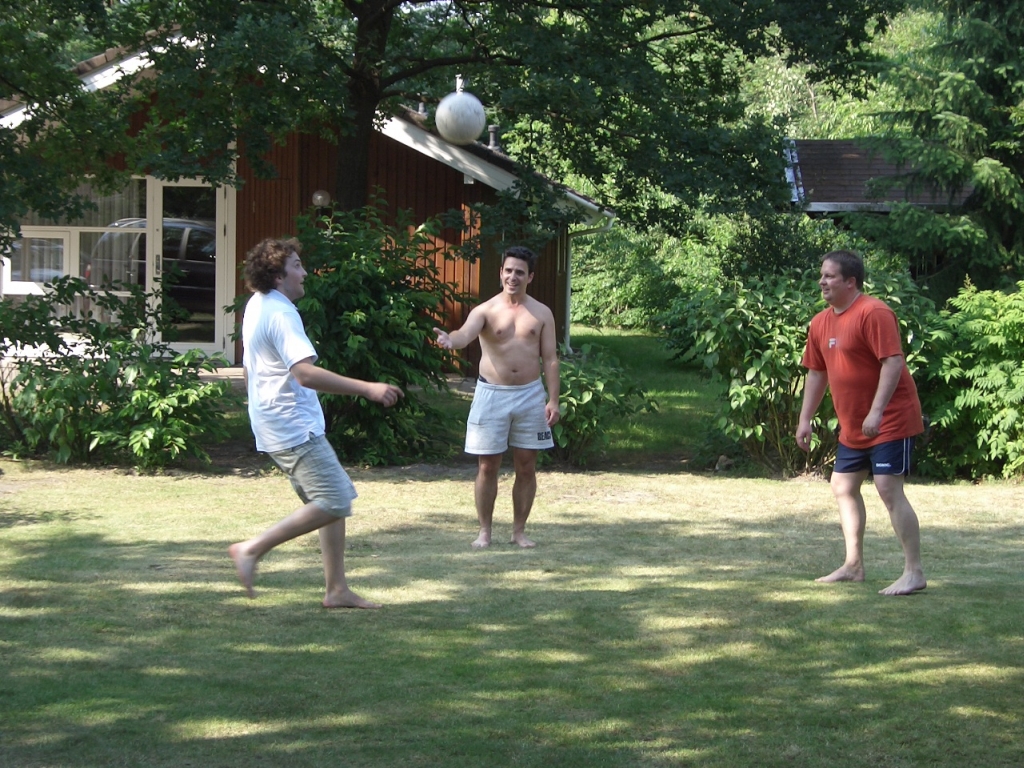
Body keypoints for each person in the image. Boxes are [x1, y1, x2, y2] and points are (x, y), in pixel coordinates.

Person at [228, 237, 404, 608]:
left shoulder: (258, 304)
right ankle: (251, 549)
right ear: (278, 276)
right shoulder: (281, 313)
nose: (305, 272)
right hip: (291, 425)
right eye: (296, 266)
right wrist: (368, 389)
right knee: (336, 500)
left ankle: (336, 589)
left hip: (276, 421)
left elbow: (250, 368)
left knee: (326, 500)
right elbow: (305, 374)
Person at [796, 249, 927, 596]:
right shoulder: (820, 322)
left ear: (850, 282)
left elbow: (893, 362)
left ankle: (913, 572)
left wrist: (876, 411)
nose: (822, 281)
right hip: (853, 426)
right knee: (842, 486)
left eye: (829, 276)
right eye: (822, 275)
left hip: (890, 419)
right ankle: (853, 566)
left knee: (887, 488)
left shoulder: (874, 312)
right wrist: (805, 418)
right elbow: (816, 372)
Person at [433, 245, 560, 548]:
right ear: (501, 272)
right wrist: (450, 340)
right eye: (508, 271)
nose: (513, 277)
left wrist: (553, 400)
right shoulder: (485, 310)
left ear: (530, 276)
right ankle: (484, 532)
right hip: (491, 394)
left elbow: (550, 359)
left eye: (520, 272)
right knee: (487, 466)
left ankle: (519, 531)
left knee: (526, 465)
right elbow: (464, 334)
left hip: (530, 395)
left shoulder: (542, 313)